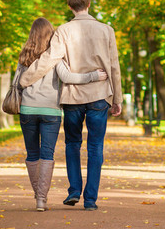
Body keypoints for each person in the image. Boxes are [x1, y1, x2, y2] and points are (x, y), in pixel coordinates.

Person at [21, 0, 122, 211]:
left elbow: (50, 58)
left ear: (69, 6)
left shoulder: (63, 31)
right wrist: (118, 98)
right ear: (89, 4)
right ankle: (91, 200)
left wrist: (25, 78)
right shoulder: (107, 30)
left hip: (73, 96)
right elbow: (114, 66)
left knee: (72, 144)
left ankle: (74, 189)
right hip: (99, 95)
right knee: (96, 147)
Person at [13, 17, 107, 211]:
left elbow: (17, 82)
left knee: (32, 154)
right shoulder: (55, 56)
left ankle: (39, 197)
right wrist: (93, 76)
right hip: (51, 111)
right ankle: (41, 198)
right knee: (47, 154)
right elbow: (67, 77)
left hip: (27, 110)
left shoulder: (24, 56)